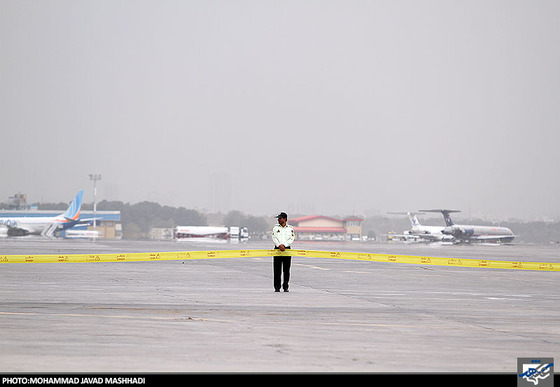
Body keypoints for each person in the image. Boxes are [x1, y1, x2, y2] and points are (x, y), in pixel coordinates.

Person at [271, 212, 295, 292]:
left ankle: (285, 286)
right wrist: (279, 245)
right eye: (278, 218)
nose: (278, 220)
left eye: (280, 218)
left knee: (286, 270)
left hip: (287, 249)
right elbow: (274, 237)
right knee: (277, 269)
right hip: (277, 249)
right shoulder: (275, 228)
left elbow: (291, 238)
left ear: (284, 219)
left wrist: (284, 245)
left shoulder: (290, 228)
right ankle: (277, 287)